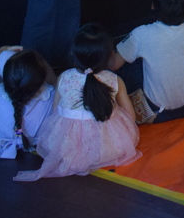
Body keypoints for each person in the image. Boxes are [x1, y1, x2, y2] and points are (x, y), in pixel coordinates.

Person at [15, 23, 140, 181]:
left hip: (66, 147)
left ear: (73, 53)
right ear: (109, 56)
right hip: (107, 149)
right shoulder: (115, 80)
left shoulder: (64, 77)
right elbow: (131, 116)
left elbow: (56, 110)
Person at [0, 45, 56, 158]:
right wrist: (38, 59)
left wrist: (2, 49)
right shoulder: (51, 94)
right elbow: (53, 79)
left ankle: (16, 135)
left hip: (5, 136)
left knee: (4, 56)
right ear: (41, 79)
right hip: (33, 139)